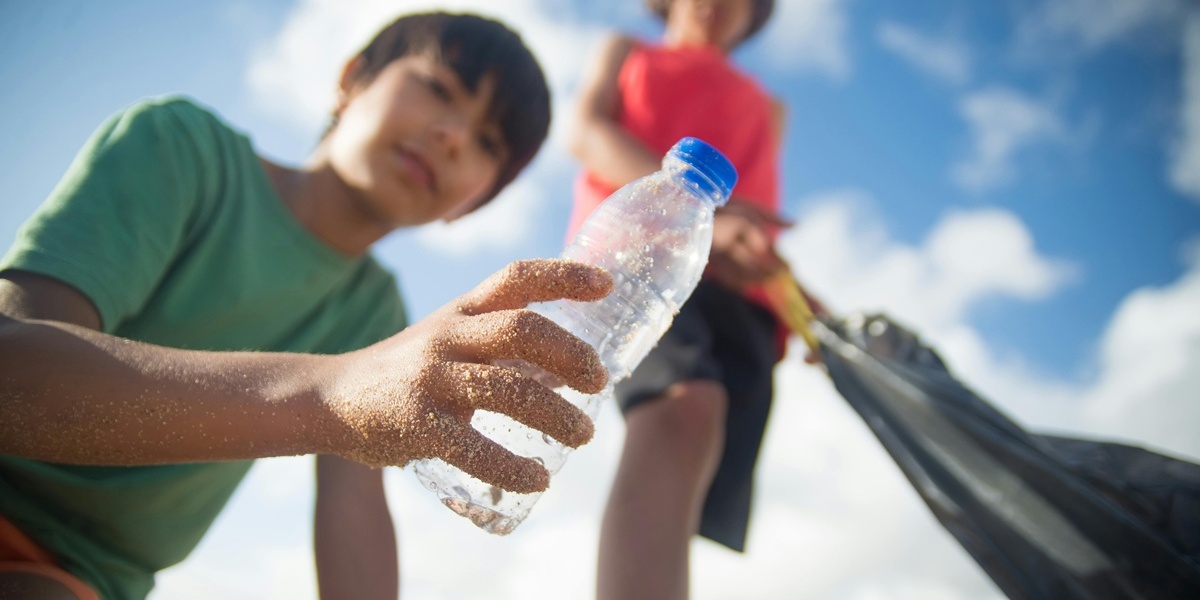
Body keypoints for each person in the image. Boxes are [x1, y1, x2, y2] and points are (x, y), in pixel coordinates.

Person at [0, 12, 612, 600]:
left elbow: (354, 513)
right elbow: (13, 373)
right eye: (435, 88)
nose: (452, 136)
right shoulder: (182, 150)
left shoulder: (375, 314)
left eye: (486, 141)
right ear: (352, 79)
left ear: (473, 202)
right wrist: (334, 395)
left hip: (80, 574)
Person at [568, 0, 789, 598]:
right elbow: (587, 131)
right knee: (682, 404)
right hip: (640, 260)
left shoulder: (769, 108)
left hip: (739, 297)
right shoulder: (626, 51)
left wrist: (795, 299)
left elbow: (758, 217)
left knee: (696, 460)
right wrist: (699, 212)